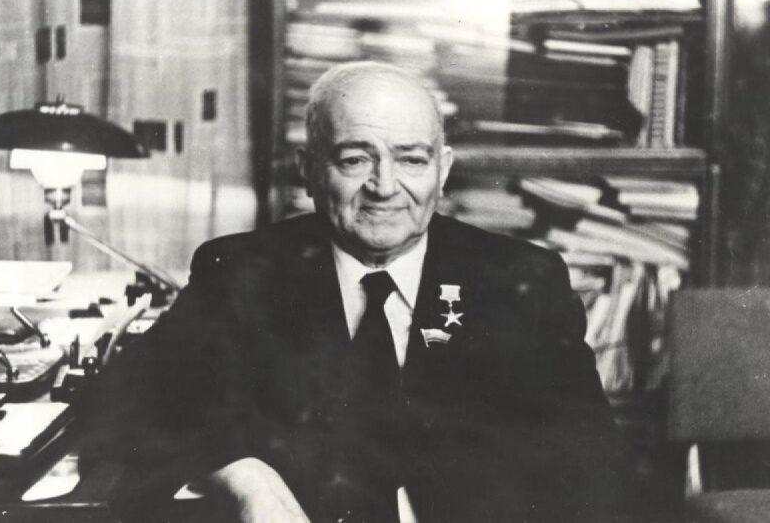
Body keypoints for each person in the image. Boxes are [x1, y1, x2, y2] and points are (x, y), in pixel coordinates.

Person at [81, 61, 632, 522]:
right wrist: (241, 475)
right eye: (354, 159)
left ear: (442, 170)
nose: (384, 187)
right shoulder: (242, 272)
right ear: (308, 170)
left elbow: (595, 467)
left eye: (411, 159)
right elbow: (119, 407)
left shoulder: (519, 282)